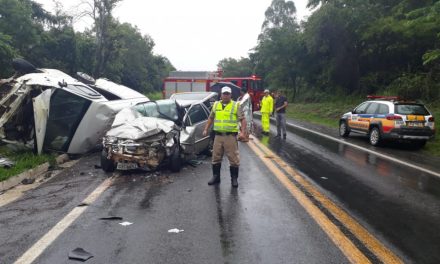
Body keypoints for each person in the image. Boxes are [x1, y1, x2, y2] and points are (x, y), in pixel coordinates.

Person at [203, 86, 246, 188]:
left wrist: (243, 132)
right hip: (218, 136)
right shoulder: (216, 105)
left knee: (233, 159)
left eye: (228, 94)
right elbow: (211, 117)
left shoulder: (236, 105)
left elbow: (243, 119)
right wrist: (206, 129)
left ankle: (234, 179)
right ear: (221, 95)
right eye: (224, 94)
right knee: (216, 157)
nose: (226, 95)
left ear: (230, 95)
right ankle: (216, 177)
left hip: (230, 136)